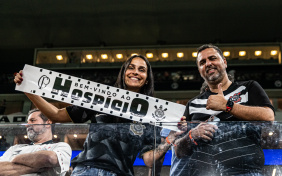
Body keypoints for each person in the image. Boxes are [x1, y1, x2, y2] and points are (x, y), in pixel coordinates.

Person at [14, 55, 170, 176]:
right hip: (86, 170)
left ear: (147, 79)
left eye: (141, 69)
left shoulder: (151, 115)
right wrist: (28, 89)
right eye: (131, 68)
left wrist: (170, 139)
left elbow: (149, 160)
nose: (135, 72)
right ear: (124, 73)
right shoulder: (101, 98)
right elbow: (57, 115)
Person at [174, 44, 275, 176]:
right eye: (202, 62)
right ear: (200, 70)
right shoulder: (193, 104)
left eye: (212, 58)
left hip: (245, 172)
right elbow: (178, 151)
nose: (208, 63)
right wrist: (191, 135)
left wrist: (227, 106)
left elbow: (269, 116)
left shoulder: (248, 88)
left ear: (225, 62)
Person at [0, 108, 72, 176]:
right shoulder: (15, 148)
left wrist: (15, 159)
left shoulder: (61, 146)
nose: (27, 125)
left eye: (32, 120)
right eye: (27, 122)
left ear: (48, 122)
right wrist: (35, 168)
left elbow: (49, 158)